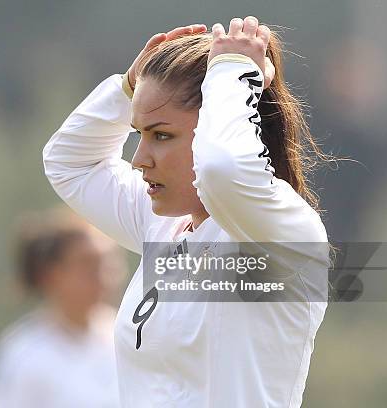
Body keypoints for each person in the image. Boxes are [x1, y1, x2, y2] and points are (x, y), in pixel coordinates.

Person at [43, 16, 330, 407]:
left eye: (162, 135)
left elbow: (222, 171)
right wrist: (127, 88)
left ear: (217, 126)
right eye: (140, 133)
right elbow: (69, 163)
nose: (140, 159)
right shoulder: (163, 225)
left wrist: (232, 73)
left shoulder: (282, 234)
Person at [0, 207, 124, 408]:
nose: (103, 276)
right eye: (87, 264)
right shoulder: (23, 355)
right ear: (51, 275)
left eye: (107, 263)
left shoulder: (128, 335)